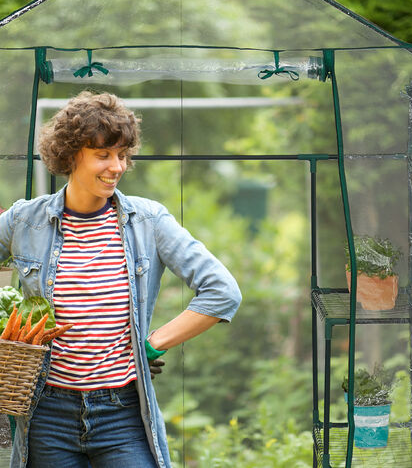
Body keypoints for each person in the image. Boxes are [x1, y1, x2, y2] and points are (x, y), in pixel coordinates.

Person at [0, 91, 242, 468]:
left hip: (123, 414)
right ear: (70, 155)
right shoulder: (23, 221)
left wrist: (152, 345)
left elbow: (222, 292)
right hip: (46, 414)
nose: (117, 166)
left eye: (122, 155)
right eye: (103, 154)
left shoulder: (148, 221)